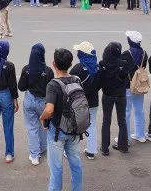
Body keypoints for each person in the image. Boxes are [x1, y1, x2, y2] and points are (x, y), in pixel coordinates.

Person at [40, 48, 83, 191]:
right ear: (70, 64)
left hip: (58, 131)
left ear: (53, 63)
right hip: (75, 129)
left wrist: (42, 117)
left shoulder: (53, 85)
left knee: (56, 168)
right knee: (76, 164)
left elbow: (49, 110)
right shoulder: (77, 80)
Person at [18, 44, 54, 166]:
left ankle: (34, 155)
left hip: (29, 99)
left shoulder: (27, 69)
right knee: (44, 125)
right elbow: (52, 89)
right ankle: (43, 147)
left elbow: (21, 87)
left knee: (32, 128)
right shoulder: (48, 71)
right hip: (43, 102)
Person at [69, 42, 100, 160]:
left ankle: (72, 151)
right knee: (91, 125)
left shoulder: (79, 67)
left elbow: (69, 80)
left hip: (79, 102)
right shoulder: (98, 67)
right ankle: (91, 151)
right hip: (93, 101)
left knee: (75, 125)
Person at [99, 42, 132, 155]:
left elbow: (101, 79)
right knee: (122, 121)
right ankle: (123, 146)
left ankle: (104, 148)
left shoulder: (103, 63)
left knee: (106, 121)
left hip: (108, 95)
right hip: (121, 95)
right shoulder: (123, 63)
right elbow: (126, 78)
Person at [124, 31, 147, 143]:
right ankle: (140, 134)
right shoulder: (144, 53)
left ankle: (125, 137)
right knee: (139, 110)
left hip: (128, 85)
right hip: (140, 85)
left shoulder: (126, 53)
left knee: (126, 111)